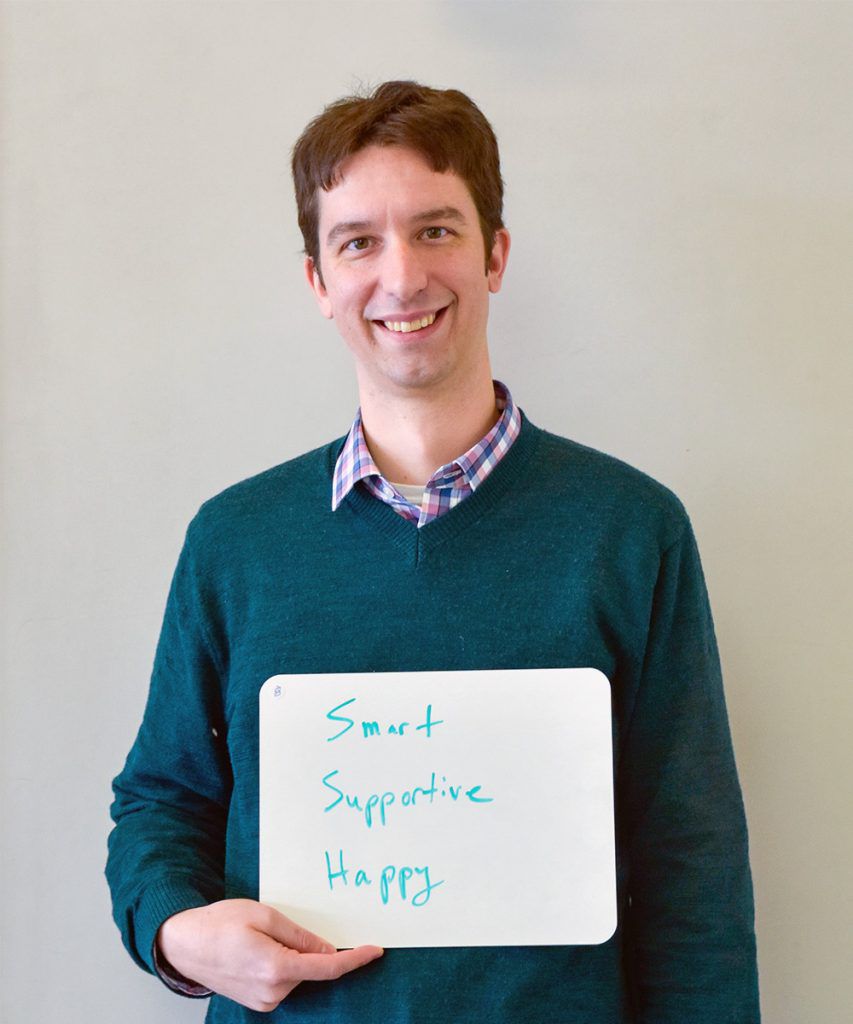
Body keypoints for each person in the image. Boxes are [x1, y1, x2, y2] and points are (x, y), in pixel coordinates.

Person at [107, 81, 760, 1022]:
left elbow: (690, 866)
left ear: (494, 254)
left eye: (437, 230)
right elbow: (160, 801)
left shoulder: (630, 530)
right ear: (317, 282)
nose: (402, 277)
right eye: (359, 241)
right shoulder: (234, 542)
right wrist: (175, 934)